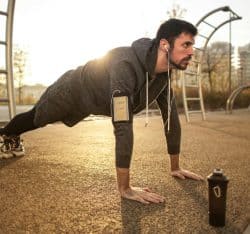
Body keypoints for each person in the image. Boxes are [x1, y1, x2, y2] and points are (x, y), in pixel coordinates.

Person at [0, 18, 204, 204]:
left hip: (91, 102)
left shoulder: (163, 77)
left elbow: (171, 118)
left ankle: (11, 136)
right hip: (69, 90)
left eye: (192, 45)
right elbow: (122, 124)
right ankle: (6, 134)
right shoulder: (125, 65)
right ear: (165, 45)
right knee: (37, 118)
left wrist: (175, 166)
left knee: (37, 117)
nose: (191, 51)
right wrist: (125, 188)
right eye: (186, 44)